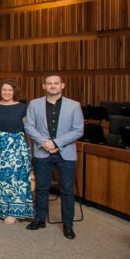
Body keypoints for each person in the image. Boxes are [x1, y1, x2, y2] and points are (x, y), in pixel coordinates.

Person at [24, 73, 84, 239]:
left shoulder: (74, 106)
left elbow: (78, 130)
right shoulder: (34, 104)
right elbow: (29, 126)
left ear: (62, 86)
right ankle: (40, 219)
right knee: (42, 188)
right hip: (42, 152)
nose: (52, 86)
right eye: (49, 83)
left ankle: (68, 225)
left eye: (56, 83)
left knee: (66, 190)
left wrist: (56, 143)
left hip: (66, 154)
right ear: (44, 86)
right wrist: (44, 143)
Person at [0, 80, 33, 224]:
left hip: (18, 146)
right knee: (1, 179)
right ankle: (3, 209)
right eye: (4, 90)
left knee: (16, 179)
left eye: (10, 90)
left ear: (14, 92)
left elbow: (27, 129)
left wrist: (30, 150)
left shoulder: (21, 107)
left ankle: (15, 212)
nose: (7, 92)